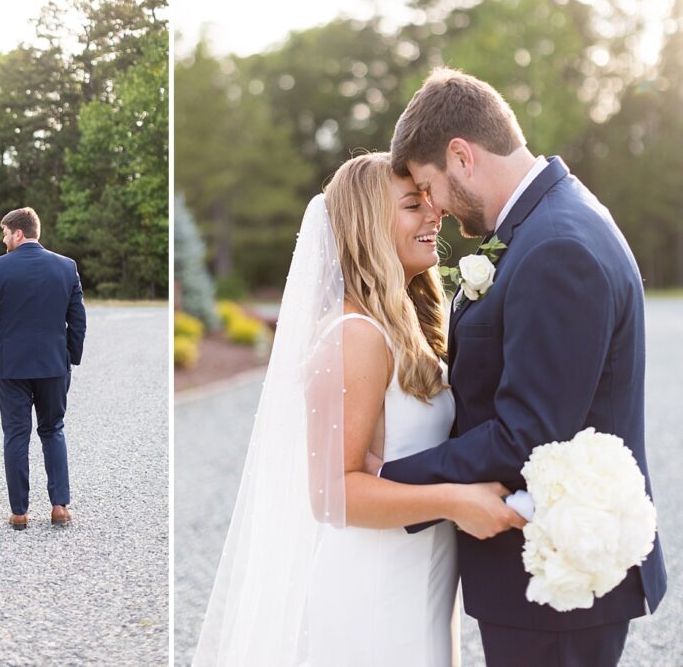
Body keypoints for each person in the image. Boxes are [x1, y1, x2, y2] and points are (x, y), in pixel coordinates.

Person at [377, 68, 667, 666]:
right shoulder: (549, 223)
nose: (431, 208)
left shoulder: (556, 245)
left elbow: (527, 436)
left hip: (556, 580)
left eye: (428, 187)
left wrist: (387, 481)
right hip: (542, 581)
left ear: (461, 155)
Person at [192, 153, 524, 666]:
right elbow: (332, 495)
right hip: (375, 595)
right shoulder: (355, 336)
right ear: (368, 226)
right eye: (413, 205)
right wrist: (455, 501)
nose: (434, 214)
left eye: (429, 201)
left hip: (422, 582)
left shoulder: (405, 326)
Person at [0, 207, 87, 530]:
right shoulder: (66, 267)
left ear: (18, 233)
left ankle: (19, 512)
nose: (3, 238)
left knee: (16, 434)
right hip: (53, 365)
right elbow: (77, 318)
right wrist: (69, 358)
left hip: (11, 366)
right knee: (53, 430)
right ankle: (59, 506)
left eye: (5, 232)